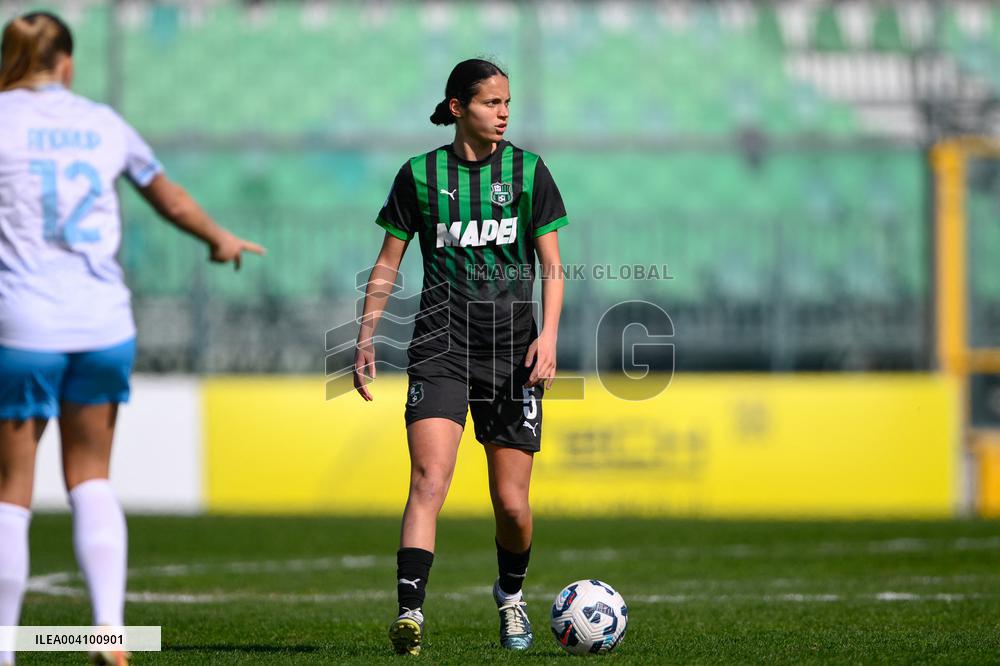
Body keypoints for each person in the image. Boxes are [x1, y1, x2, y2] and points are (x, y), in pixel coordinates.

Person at [0, 12, 263, 666]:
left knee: (11, 488)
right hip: (103, 323)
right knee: (91, 477)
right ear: (66, 62)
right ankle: (110, 633)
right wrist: (219, 238)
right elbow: (168, 197)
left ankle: (4, 647)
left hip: (24, 321)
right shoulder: (102, 123)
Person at [353, 58, 568, 655]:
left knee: (512, 504)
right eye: (491, 103)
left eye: (507, 103)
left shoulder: (529, 171)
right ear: (457, 108)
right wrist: (367, 334)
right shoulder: (418, 175)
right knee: (429, 480)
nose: (503, 113)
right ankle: (410, 613)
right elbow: (388, 263)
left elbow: (552, 265)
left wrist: (548, 336)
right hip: (440, 347)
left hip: (511, 355)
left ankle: (511, 597)